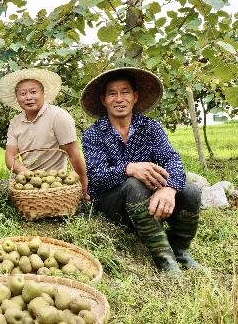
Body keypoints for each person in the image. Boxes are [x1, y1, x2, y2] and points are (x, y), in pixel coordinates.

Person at [80, 67, 200, 274]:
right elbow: (95, 176)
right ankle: (164, 258)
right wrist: (128, 168)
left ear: (135, 97)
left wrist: (169, 189)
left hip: (150, 202)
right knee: (134, 184)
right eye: (112, 93)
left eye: (125, 92)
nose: (119, 99)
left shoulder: (151, 127)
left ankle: (180, 251)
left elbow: (172, 159)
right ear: (104, 100)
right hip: (112, 204)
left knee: (190, 190)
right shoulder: (93, 134)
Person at [0, 68, 88, 198]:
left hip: (56, 183)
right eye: (23, 93)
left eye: (33, 92)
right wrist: (28, 175)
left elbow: (73, 154)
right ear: (16, 97)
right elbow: (10, 158)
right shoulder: (15, 122)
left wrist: (83, 186)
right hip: (28, 184)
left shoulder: (58, 116)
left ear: (43, 93)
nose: (28, 97)